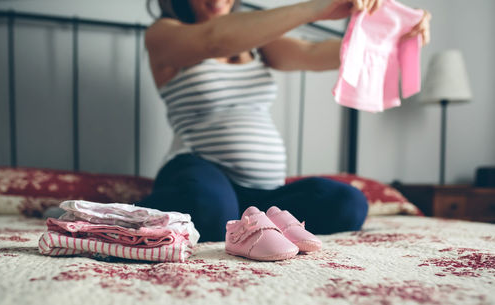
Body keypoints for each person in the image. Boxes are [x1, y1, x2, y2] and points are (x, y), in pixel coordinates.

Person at [138, 0, 431, 242]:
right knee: (210, 207)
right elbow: (215, 39)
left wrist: (394, 36)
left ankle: (248, 222)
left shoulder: (256, 42)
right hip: (197, 170)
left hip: (261, 194)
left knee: (347, 203)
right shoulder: (164, 34)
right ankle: (134, 216)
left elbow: (313, 52)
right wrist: (320, 7)